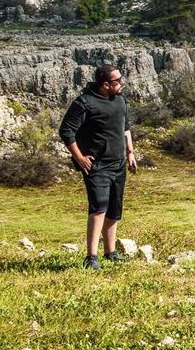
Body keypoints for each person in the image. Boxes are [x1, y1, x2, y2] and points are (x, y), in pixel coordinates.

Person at [59, 65, 137, 269]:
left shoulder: (120, 100)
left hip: (118, 163)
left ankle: (110, 253)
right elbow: (66, 132)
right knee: (98, 208)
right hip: (97, 166)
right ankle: (91, 257)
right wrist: (80, 158)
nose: (122, 83)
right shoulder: (85, 103)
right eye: (117, 80)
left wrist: (130, 152)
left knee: (114, 209)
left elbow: (125, 127)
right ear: (105, 84)